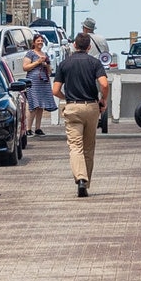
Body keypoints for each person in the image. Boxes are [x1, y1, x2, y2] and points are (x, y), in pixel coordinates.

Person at [52, 30, 110, 197]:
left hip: (73, 107)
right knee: (89, 147)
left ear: (74, 45)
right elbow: (104, 85)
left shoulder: (64, 64)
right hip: (91, 107)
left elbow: (55, 90)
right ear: (89, 46)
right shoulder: (94, 63)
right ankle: (87, 181)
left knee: (75, 146)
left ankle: (81, 178)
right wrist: (103, 100)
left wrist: (67, 97)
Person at [21, 33, 55, 134]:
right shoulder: (30, 54)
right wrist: (37, 62)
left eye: (41, 41)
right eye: (38, 41)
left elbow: (49, 71)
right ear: (34, 42)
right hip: (33, 82)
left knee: (41, 105)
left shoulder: (45, 54)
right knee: (33, 105)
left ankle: (38, 128)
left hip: (43, 81)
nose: (40, 42)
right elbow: (25, 67)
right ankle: (28, 129)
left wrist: (46, 65)